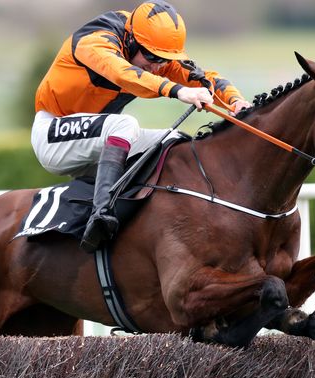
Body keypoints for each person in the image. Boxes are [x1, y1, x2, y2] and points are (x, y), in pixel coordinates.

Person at [31, 0, 252, 253]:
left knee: (174, 140)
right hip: (52, 134)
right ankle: (101, 215)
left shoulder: (151, 49)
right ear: (132, 40)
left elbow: (201, 77)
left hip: (94, 141)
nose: (157, 66)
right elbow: (121, 72)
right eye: (152, 57)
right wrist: (176, 90)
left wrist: (235, 101)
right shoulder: (95, 42)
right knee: (125, 125)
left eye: (164, 59)